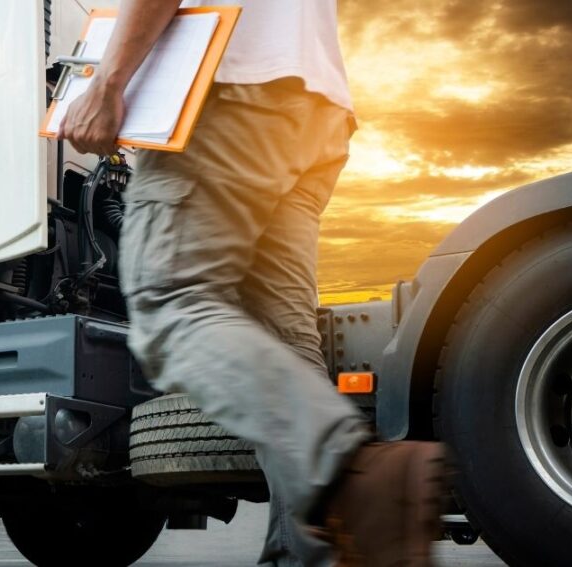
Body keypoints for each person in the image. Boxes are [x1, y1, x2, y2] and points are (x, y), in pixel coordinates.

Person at [58, 1, 446, 565]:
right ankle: (310, 552)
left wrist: (108, 83)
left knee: (168, 304)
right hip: (313, 108)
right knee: (287, 339)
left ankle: (350, 469)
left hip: (227, 88)